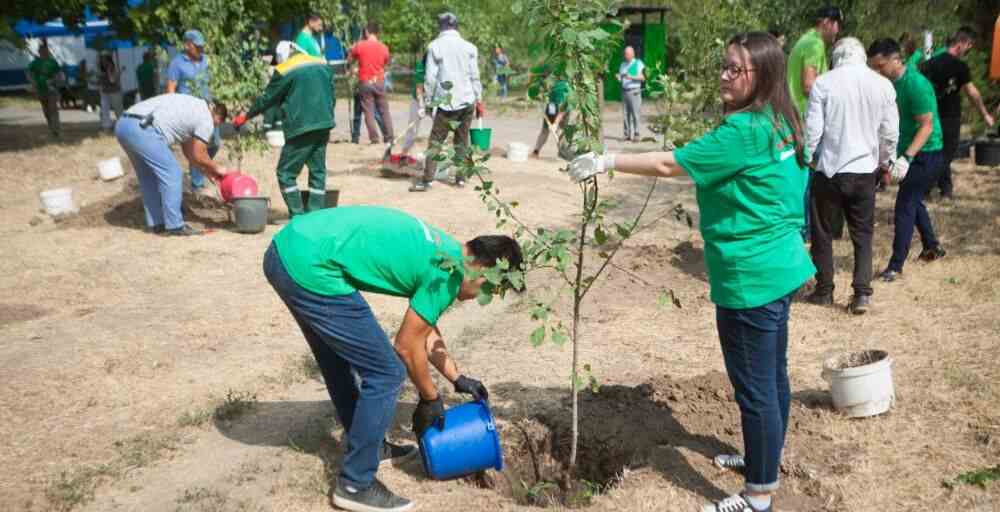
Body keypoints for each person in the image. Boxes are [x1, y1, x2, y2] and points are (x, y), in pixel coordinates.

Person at [567, 32, 814, 512]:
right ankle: (765, 458)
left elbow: (666, 163)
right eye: (722, 66)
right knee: (773, 375)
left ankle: (758, 494)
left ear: (761, 74)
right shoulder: (779, 120)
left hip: (751, 278)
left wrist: (605, 160)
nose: (723, 76)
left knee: (755, 387)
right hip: (782, 266)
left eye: (734, 70)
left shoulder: (741, 133)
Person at [263, 205, 522, 512]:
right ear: (482, 268)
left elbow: (424, 326)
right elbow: (407, 344)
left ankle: (370, 447)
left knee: (337, 360)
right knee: (387, 373)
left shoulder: (448, 251)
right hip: (310, 266)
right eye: (489, 288)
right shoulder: (450, 274)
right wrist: (430, 397)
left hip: (291, 248)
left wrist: (456, 376)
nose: (481, 298)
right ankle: (355, 484)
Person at [804, 37, 899, 314]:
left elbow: (813, 130)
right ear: (862, 56)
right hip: (864, 171)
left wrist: (808, 157)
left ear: (836, 57)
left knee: (822, 233)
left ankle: (824, 291)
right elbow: (889, 133)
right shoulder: (882, 85)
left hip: (830, 170)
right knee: (863, 234)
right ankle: (861, 294)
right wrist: (885, 163)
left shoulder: (824, 83)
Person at [868, 38, 947, 282]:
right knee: (914, 201)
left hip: (927, 152)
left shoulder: (915, 84)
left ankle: (895, 266)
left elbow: (926, 126)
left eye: (880, 66)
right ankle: (932, 247)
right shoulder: (891, 84)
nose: (877, 72)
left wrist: (907, 158)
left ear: (895, 59)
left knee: (905, 205)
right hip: (909, 152)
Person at [233, 50, 335, 216]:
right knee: (318, 171)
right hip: (324, 123)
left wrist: (246, 115)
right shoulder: (322, 64)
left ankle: (298, 216)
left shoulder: (285, 70)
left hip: (301, 127)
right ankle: (316, 216)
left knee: (286, 172)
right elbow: (332, 94)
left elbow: (268, 99)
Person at [115, 94, 230, 236]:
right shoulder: (206, 118)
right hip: (144, 128)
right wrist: (217, 168)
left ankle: (158, 224)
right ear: (217, 116)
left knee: (148, 177)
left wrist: (207, 172)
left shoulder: (193, 107)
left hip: (124, 125)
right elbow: (199, 153)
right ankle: (175, 225)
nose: (214, 128)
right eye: (217, 124)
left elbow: (191, 154)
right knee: (172, 172)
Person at [920, 27, 996, 201]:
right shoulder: (960, 66)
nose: (968, 50)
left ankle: (946, 190)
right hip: (950, 117)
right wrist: (984, 114)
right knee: (946, 155)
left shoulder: (929, 64)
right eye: (969, 46)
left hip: (930, 116)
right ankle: (926, 189)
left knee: (936, 152)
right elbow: (971, 92)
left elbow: (920, 90)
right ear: (961, 44)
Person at [410, 12, 483, 192]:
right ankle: (461, 179)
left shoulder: (435, 46)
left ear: (440, 27)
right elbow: (475, 76)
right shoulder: (470, 47)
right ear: (456, 26)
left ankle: (427, 181)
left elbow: (430, 78)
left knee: (436, 141)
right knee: (462, 141)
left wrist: (427, 103)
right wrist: (479, 100)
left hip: (446, 104)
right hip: (467, 101)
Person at [787, 6, 841, 241]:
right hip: (805, 120)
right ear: (828, 22)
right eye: (837, 25)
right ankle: (804, 233)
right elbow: (809, 84)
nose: (837, 31)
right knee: (808, 181)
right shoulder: (814, 44)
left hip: (796, 118)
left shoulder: (805, 41)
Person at [167, 29, 217, 192]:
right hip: (188, 113)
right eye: (198, 46)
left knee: (215, 142)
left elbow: (213, 83)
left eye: (202, 46)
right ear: (187, 45)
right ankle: (197, 184)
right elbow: (171, 89)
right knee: (196, 147)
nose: (201, 49)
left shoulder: (207, 61)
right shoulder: (177, 63)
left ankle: (200, 165)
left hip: (208, 110)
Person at [349, 23, 394, 145]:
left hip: (365, 81)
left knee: (368, 111)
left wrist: (352, 50)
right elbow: (386, 62)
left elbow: (350, 59)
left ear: (367, 32)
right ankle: (390, 137)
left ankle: (374, 138)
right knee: (384, 111)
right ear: (377, 33)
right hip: (379, 81)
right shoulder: (384, 47)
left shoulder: (360, 45)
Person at [26, 44, 62, 138]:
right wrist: (32, 82)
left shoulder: (53, 62)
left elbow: (58, 74)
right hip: (40, 89)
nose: (45, 52)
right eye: (42, 51)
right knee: (46, 110)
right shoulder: (35, 63)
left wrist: (54, 80)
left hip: (51, 89)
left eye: (46, 51)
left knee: (53, 109)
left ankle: (56, 129)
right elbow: (28, 72)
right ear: (39, 52)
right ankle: (51, 125)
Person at [530, 78, 572, 160]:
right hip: (552, 106)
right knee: (545, 130)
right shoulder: (553, 83)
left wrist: (555, 123)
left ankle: (563, 151)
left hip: (564, 108)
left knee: (563, 131)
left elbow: (564, 110)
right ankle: (536, 151)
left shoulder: (567, 92)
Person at [399, 51, 429, 164]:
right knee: (412, 127)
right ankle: (405, 152)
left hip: (434, 101)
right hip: (418, 100)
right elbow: (419, 87)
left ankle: (433, 155)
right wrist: (421, 105)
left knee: (439, 128)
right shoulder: (421, 66)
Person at [617, 46, 645, 142]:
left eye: (628, 54)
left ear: (633, 54)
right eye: (625, 54)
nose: (626, 55)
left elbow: (642, 78)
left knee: (635, 114)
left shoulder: (638, 63)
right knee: (625, 114)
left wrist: (631, 76)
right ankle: (626, 134)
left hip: (634, 91)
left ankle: (636, 134)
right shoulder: (623, 65)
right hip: (624, 91)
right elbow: (621, 77)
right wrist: (619, 78)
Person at [98, 53, 124, 131]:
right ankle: (106, 126)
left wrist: (119, 71)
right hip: (105, 92)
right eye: (102, 60)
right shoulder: (103, 69)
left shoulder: (111, 68)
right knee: (105, 110)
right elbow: (103, 81)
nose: (103, 62)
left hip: (114, 91)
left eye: (104, 60)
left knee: (118, 110)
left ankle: (121, 126)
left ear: (109, 61)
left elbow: (112, 80)